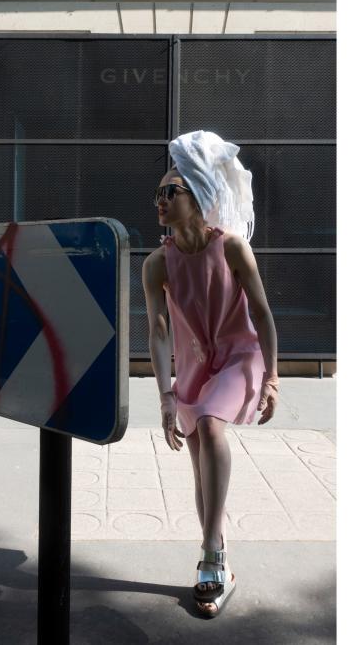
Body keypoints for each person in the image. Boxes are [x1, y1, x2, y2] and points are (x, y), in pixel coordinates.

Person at [141, 130, 280, 618]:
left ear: (197, 195)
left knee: (210, 426)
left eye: (170, 192)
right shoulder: (158, 262)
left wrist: (272, 377)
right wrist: (164, 395)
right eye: (157, 193)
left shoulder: (233, 248)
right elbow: (157, 333)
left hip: (240, 356)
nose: (160, 200)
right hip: (197, 365)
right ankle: (218, 551)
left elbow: (262, 314)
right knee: (200, 462)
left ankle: (210, 556)